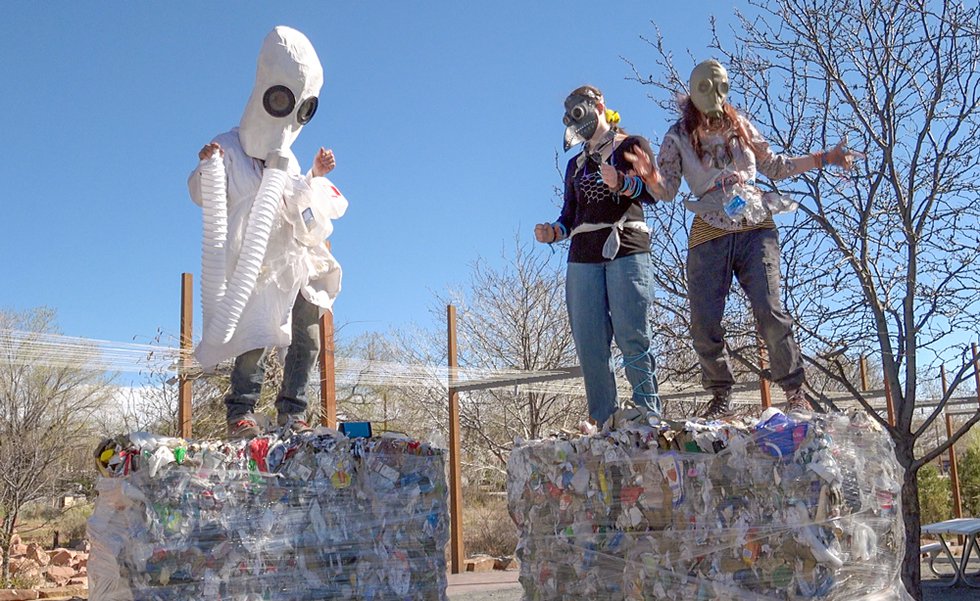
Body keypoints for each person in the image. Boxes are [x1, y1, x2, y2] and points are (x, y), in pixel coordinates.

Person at [628, 59, 859, 419]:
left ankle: (795, 391)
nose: (715, 95)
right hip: (709, 228)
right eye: (705, 88)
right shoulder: (676, 136)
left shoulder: (741, 127)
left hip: (754, 224)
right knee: (704, 321)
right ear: (691, 92)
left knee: (769, 310)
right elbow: (668, 190)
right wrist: (649, 178)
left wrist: (824, 158)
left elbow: (776, 167)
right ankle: (720, 395)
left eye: (721, 87)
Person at [188, 26, 348, 439]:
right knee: (254, 334)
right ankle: (241, 411)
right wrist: (207, 166)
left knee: (307, 330)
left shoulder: (289, 160)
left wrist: (315, 174)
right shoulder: (228, 145)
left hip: (291, 257)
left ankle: (293, 411)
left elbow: (298, 201)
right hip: (253, 264)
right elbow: (199, 193)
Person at [534, 85, 662, 427]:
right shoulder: (576, 165)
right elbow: (570, 214)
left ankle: (647, 416)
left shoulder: (631, 146)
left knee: (631, 333)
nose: (577, 119)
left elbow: (654, 190)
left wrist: (622, 182)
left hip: (626, 246)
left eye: (581, 110)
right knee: (590, 343)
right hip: (583, 255)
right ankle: (604, 422)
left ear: (600, 106)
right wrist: (554, 232)